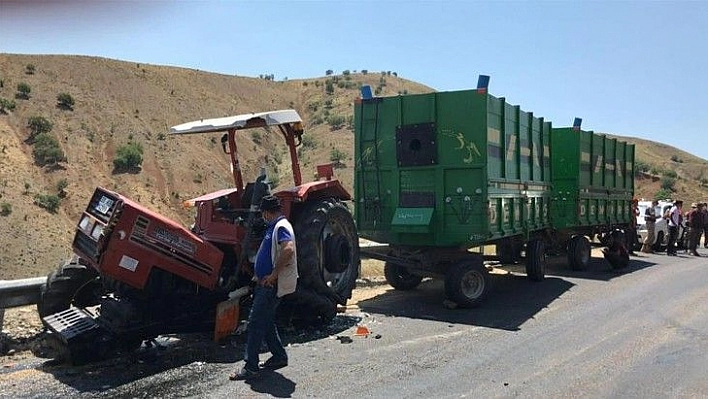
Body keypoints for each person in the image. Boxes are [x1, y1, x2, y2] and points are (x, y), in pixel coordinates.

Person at [230, 194, 298, 381]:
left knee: (255, 323)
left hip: (271, 285)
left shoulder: (281, 226)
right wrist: (258, 275)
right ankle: (279, 356)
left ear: (267, 213)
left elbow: (288, 249)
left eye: (263, 213)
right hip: (264, 282)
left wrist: (273, 274)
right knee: (266, 321)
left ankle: (250, 366)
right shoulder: (274, 227)